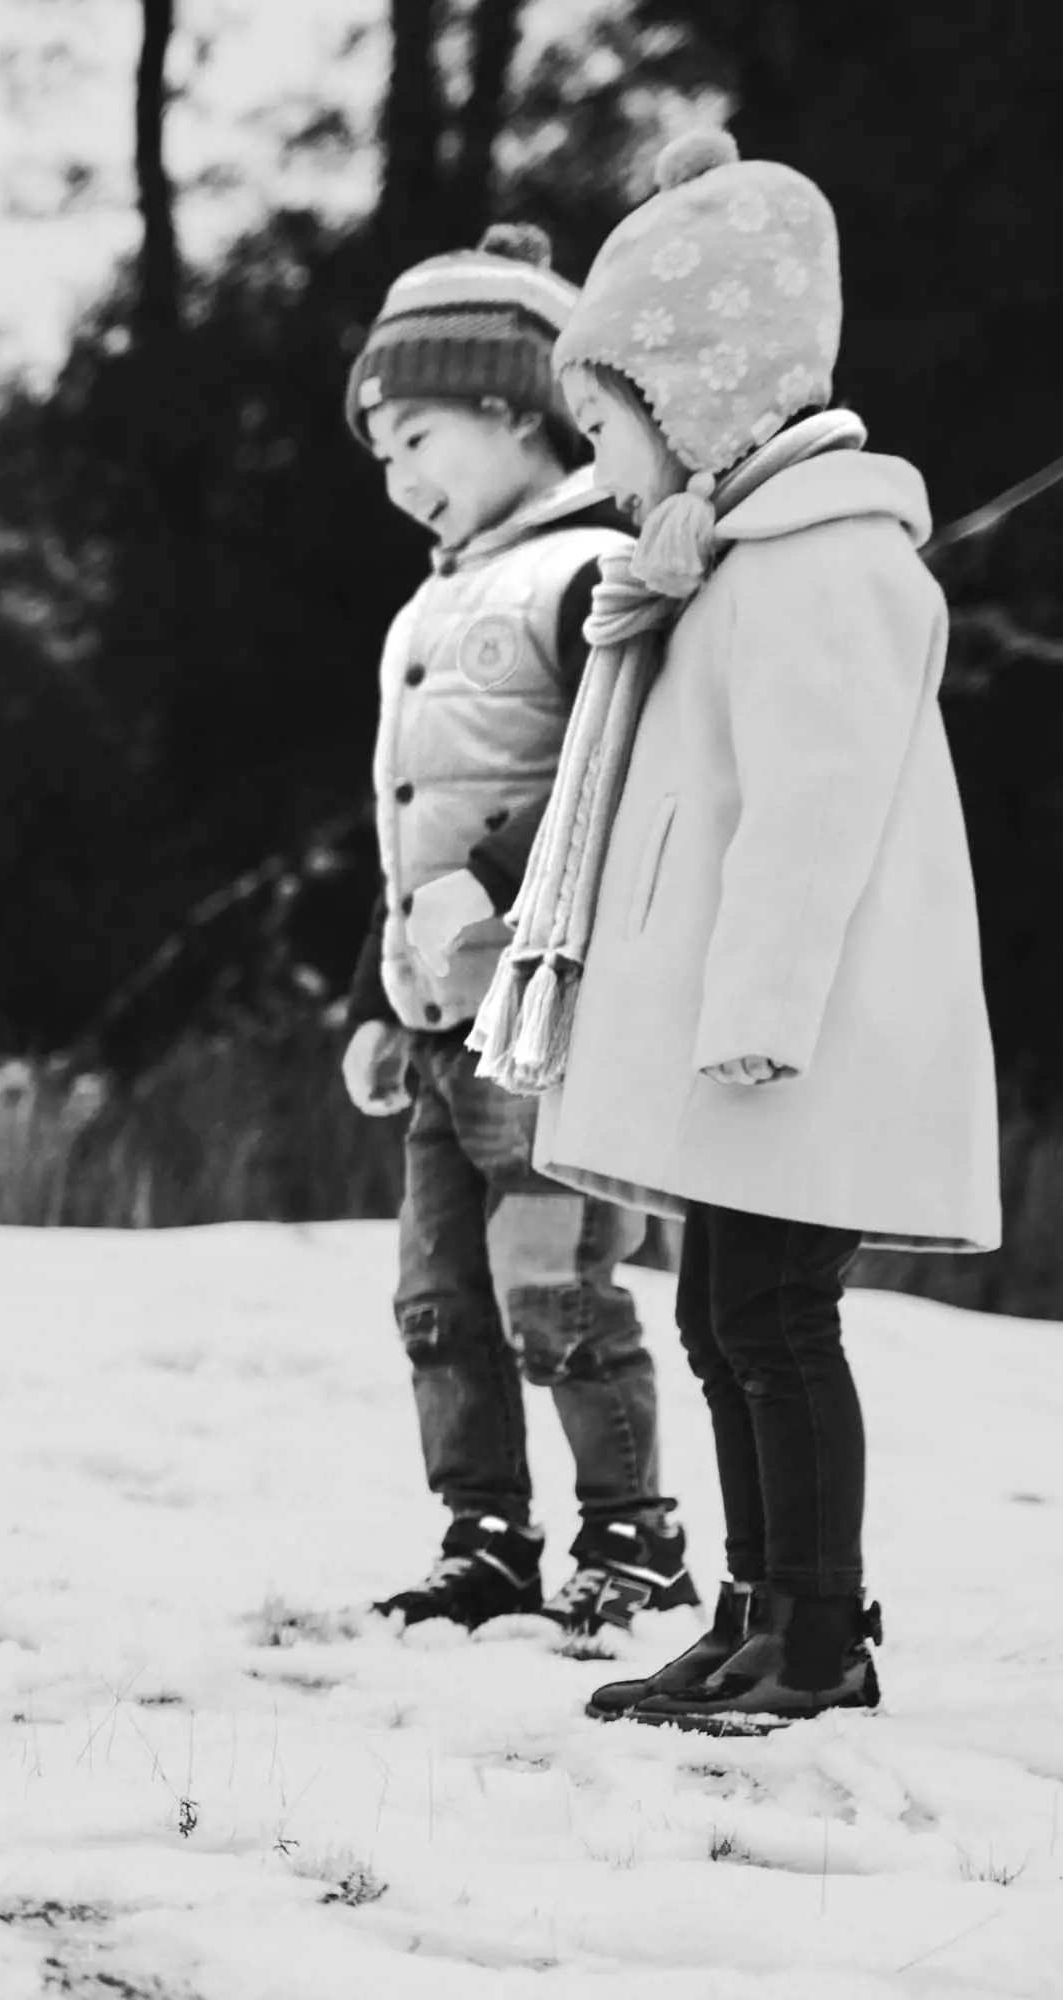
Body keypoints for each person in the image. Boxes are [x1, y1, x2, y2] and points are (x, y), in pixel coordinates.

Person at [476, 130, 1000, 1731]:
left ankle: (824, 1634)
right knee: (722, 1314)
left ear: (696, 401)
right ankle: (758, 1607)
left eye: (613, 427)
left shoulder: (824, 570)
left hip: (791, 1039)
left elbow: (812, 813)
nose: (609, 469)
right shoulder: (723, 569)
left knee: (777, 1317)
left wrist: (757, 1010)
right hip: (738, 1045)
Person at [337, 224, 692, 1638]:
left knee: (553, 1283)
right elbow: (408, 814)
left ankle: (634, 1531)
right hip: (435, 1024)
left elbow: (610, 779)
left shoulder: (587, 573)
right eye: (378, 455)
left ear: (511, 407)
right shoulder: (431, 602)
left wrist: (492, 888)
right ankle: (485, 1533)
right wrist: (376, 986)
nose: (398, 476)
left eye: (415, 435)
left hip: (544, 1027)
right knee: (439, 1297)